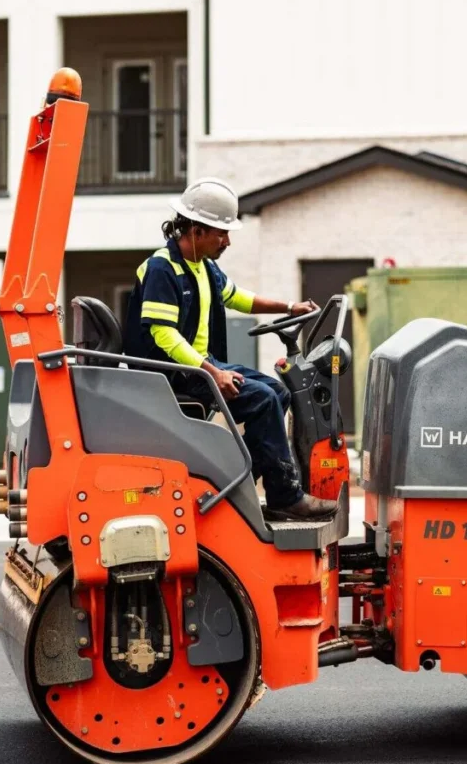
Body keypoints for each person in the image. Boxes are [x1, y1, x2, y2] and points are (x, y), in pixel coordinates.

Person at [124, 177, 338, 521]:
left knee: (278, 392)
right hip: (172, 373)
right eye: (221, 233)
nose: (227, 241)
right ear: (196, 230)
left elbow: (239, 298)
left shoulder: (203, 267)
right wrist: (213, 372)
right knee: (263, 400)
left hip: (199, 366)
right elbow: (163, 335)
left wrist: (289, 307)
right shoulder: (162, 269)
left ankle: (235, 484)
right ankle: (285, 496)